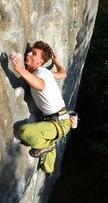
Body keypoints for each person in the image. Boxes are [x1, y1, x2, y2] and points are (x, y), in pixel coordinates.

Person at [9, 41, 71, 173]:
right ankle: (49, 170)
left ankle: (48, 146)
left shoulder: (41, 73)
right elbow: (63, 74)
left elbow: (41, 85)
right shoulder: (46, 72)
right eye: (30, 51)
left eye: (34, 53)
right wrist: (57, 63)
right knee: (48, 153)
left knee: (24, 132)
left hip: (58, 123)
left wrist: (19, 68)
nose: (29, 53)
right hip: (58, 121)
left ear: (40, 62)